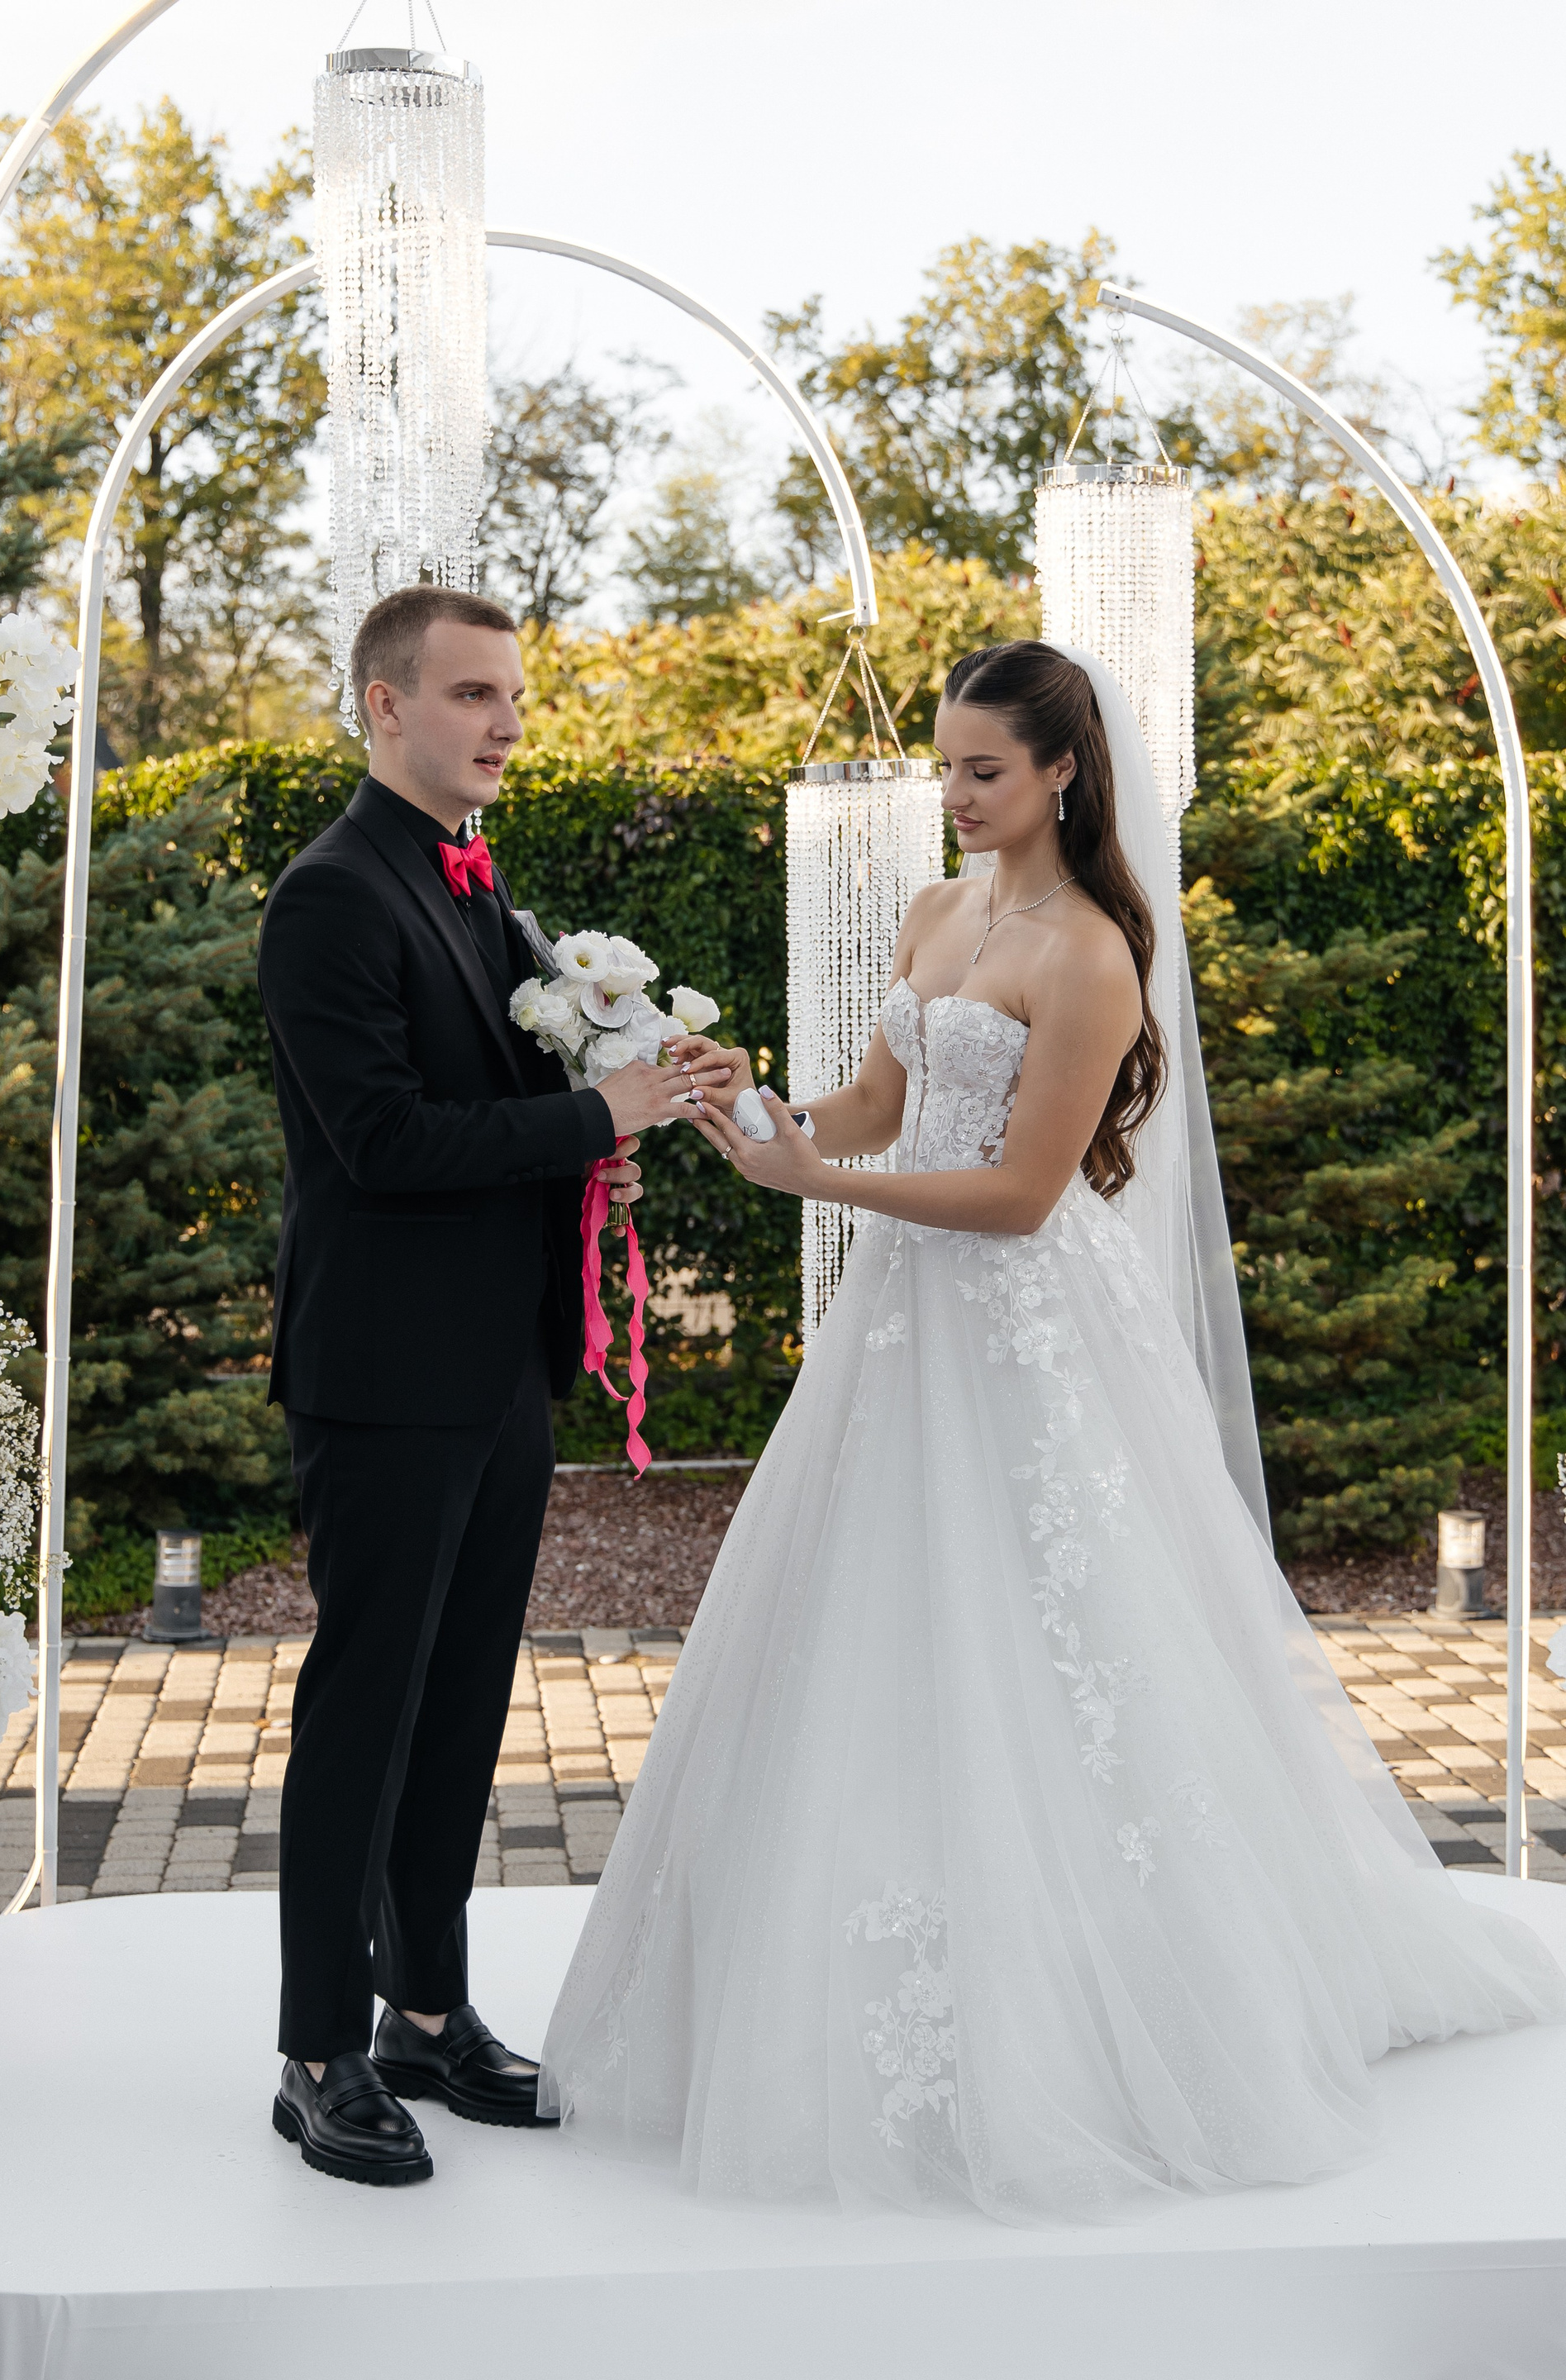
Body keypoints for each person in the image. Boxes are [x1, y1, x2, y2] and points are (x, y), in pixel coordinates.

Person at [538, 640, 1566, 2225]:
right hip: (901, 1322)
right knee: (873, 1628)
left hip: (1025, 1325)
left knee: (1069, 1640)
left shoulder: (1090, 953)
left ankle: (1126, 2003)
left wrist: (825, 1187)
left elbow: (1024, 1194)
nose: (955, 795)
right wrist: (756, 1108)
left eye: (985, 770)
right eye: (946, 766)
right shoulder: (936, 912)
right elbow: (877, 1110)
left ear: (1063, 771)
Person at [257, 583, 730, 2187]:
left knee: (460, 1708)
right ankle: (315, 2049)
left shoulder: (477, 880)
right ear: (384, 706)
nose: (506, 723)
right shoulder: (332, 895)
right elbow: (382, 1142)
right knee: (365, 1717)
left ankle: (422, 2015)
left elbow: (497, 1090)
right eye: (471, 695)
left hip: (502, 1366)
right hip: (385, 1374)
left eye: (512, 695)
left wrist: (612, 1108)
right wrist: (604, 1115)